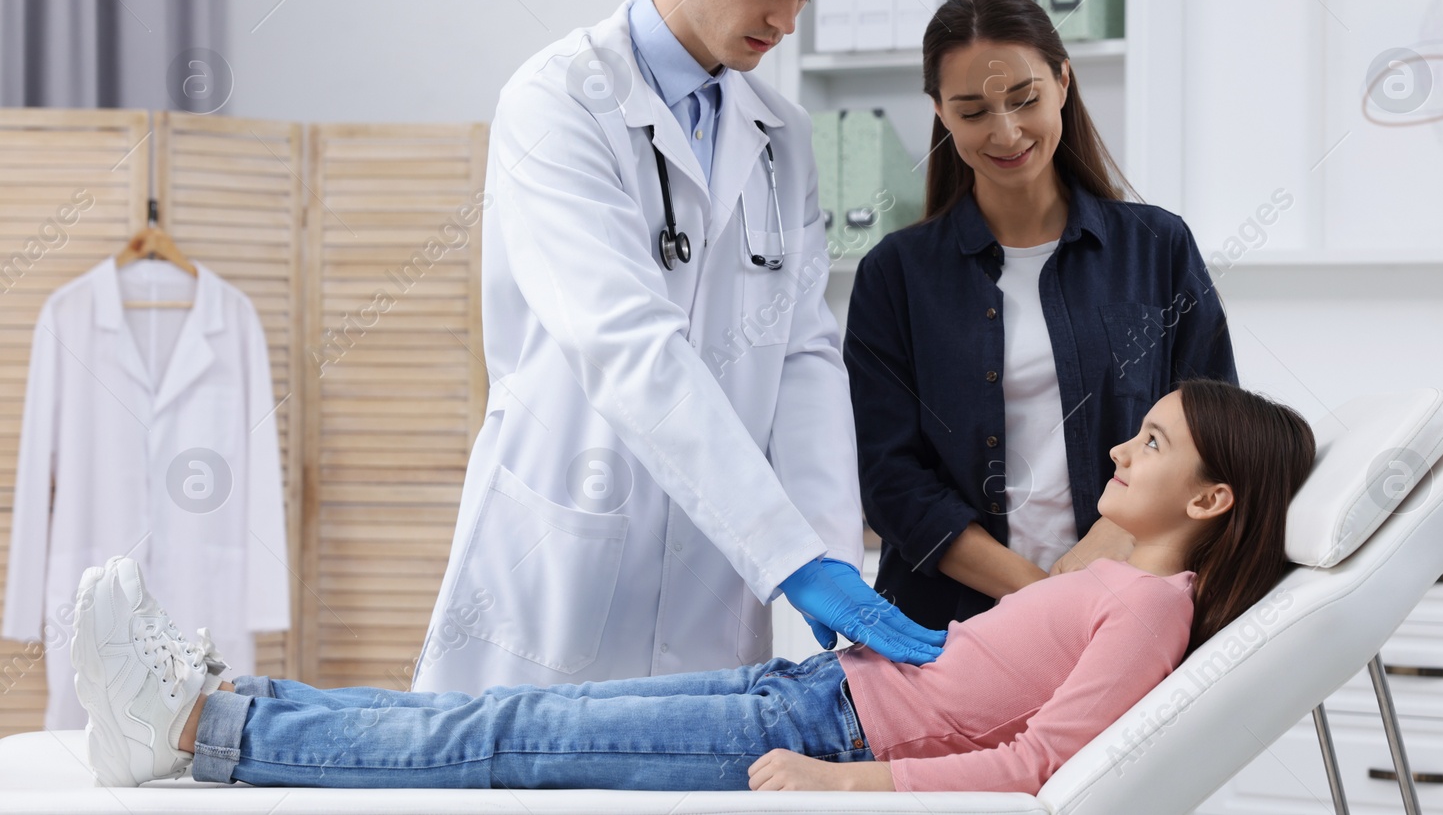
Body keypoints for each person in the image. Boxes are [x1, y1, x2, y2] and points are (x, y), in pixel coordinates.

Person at [71, 380, 1314, 793]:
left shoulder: (1153, 604)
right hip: (811, 693)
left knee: (509, 730)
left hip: (818, 728)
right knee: (509, 724)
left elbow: (1041, 762)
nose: (1116, 449)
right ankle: (216, 707)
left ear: (1210, 500)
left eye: (1150, 443)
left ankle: (201, 724)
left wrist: (850, 781)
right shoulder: (1123, 579)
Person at [412, 0, 943, 697]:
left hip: (713, 592)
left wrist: (825, 554)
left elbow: (805, 355)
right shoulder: (557, 102)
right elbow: (629, 346)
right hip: (560, 561)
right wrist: (785, 553)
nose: (785, 22)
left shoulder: (785, 136)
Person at [847, 0, 1239, 631]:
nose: (1006, 131)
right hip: (946, 626)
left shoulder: (1157, 247)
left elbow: (1213, 430)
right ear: (939, 111)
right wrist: (1041, 595)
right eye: (972, 111)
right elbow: (887, 477)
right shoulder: (895, 274)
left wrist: (1096, 566)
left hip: (1127, 610)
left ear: (1063, 79)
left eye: (1025, 98)